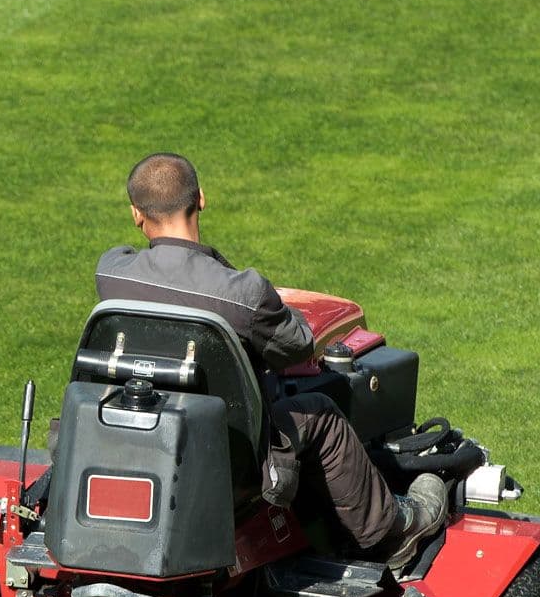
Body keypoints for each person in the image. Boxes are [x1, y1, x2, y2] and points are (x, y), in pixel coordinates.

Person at [96, 152, 446, 571]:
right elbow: (297, 345)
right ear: (201, 199)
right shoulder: (243, 293)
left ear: (137, 214)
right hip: (229, 456)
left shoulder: (112, 273)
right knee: (320, 414)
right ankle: (392, 534)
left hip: (136, 437)